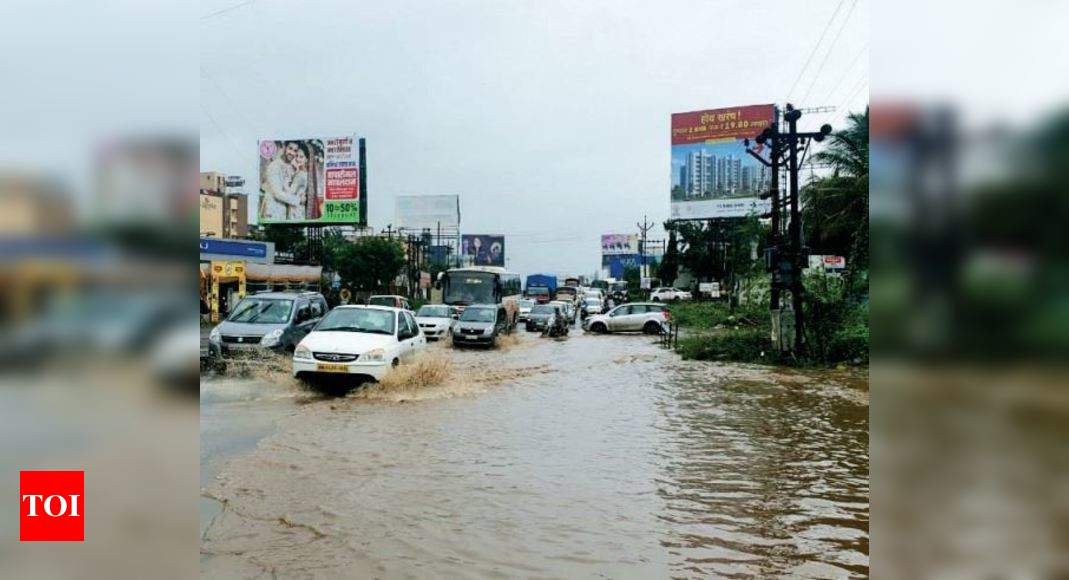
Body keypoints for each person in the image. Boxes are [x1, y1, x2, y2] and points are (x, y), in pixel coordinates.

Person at [261, 141, 303, 221]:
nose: (292, 153)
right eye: (290, 148)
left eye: (295, 151)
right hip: (272, 214)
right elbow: (278, 193)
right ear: (284, 147)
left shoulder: (292, 167)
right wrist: (298, 200)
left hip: (286, 216)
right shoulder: (274, 166)